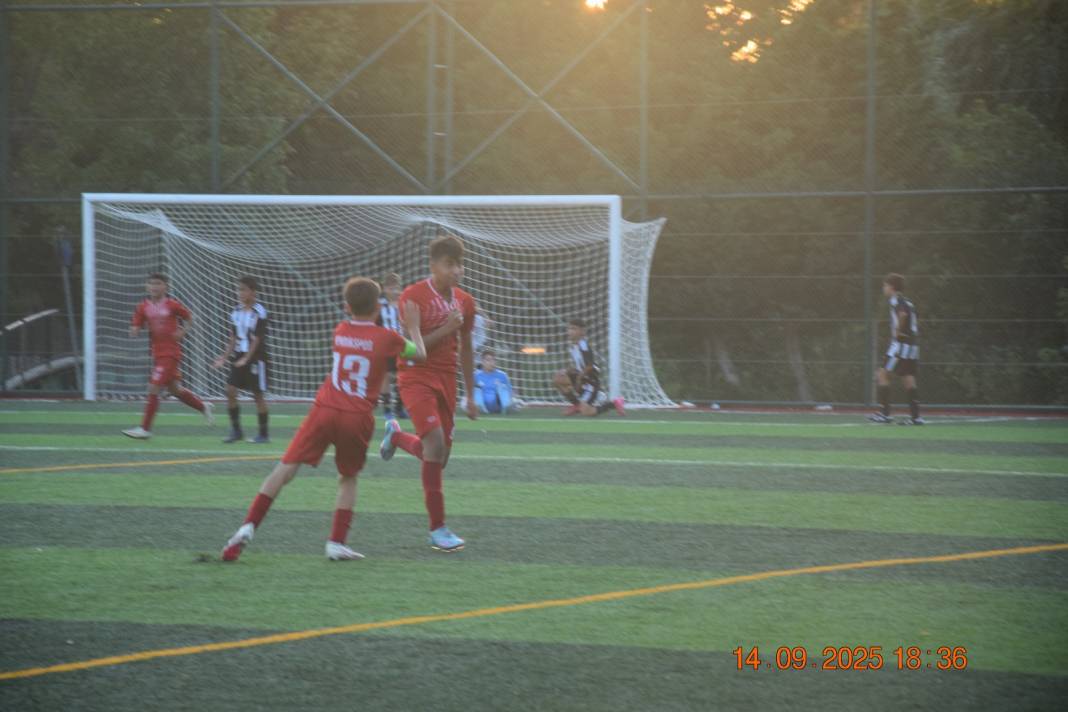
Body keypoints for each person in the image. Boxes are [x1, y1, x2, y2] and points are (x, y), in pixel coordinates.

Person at [221, 277, 427, 562]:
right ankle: (336, 543)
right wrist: (413, 327)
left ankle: (248, 526)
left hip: (325, 409)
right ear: (378, 308)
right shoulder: (388, 338)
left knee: (284, 469)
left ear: (346, 306)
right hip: (357, 416)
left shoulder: (339, 331)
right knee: (348, 477)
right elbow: (420, 354)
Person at [378, 235, 478, 552]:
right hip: (415, 376)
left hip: (447, 380)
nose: (456, 271)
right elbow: (413, 349)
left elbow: (466, 349)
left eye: (460, 265)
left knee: (438, 456)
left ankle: (396, 436)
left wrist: (471, 395)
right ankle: (438, 529)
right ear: (433, 265)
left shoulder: (466, 302)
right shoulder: (412, 297)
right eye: (450, 264)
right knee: (434, 444)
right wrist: (447, 328)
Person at [123, 273, 214, 439]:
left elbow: (189, 318)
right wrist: (134, 330)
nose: (154, 287)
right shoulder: (143, 307)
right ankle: (203, 407)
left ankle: (145, 429)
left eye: (158, 283)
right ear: (146, 286)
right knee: (175, 390)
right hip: (157, 354)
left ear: (166, 287)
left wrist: (183, 331)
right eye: (151, 283)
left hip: (170, 353)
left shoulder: (172, 304)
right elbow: (136, 324)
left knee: (154, 387)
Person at [212, 276, 270, 443]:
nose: (240, 293)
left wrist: (247, 359)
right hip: (239, 355)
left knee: (257, 395)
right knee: (230, 390)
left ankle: (263, 434)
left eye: (243, 289)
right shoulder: (235, 312)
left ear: (253, 292)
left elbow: (257, 339)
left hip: (256, 357)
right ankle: (236, 431)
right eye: (239, 289)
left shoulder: (260, 312)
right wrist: (224, 357)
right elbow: (233, 337)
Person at [869, 272, 924, 425]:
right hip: (911, 344)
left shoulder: (897, 300)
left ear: (891, 287)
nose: (883, 288)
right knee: (908, 378)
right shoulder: (908, 301)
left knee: (882, 374)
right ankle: (916, 417)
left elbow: (903, 314)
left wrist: (898, 332)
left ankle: (885, 414)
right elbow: (912, 318)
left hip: (900, 344)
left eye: (885, 285)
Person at [552, 318, 625, 417]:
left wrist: (578, 379)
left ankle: (614, 403)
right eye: (569, 328)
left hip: (590, 382)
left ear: (582, 332)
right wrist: (567, 370)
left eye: (573, 329)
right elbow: (580, 366)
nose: (570, 331)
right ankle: (577, 405)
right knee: (558, 378)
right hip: (583, 378)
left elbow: (589, 366)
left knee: (587, 412)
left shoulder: (583, 345)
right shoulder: (573, 346)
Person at [375, 272, 406, 419]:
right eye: (391, 288)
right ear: (384, 288)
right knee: (386, 375)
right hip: (385, 346)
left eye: (397, 288)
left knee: (403, 375)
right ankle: (387, 409)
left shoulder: (404, 303)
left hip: (402, 344)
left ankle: (399, 407)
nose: (394, 291)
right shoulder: (379, 305)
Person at [473, 349, 516, 414]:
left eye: (493, 360)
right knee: (475, 390)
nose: (491, 362)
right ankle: (480, 407)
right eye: (488, 360)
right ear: (482, 362)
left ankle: (506, 407)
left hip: (498, 405)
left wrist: (512, 397)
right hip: (482, 403)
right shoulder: (476, 375)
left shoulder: (502, 375)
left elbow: (510, 392)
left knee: (503, 387)